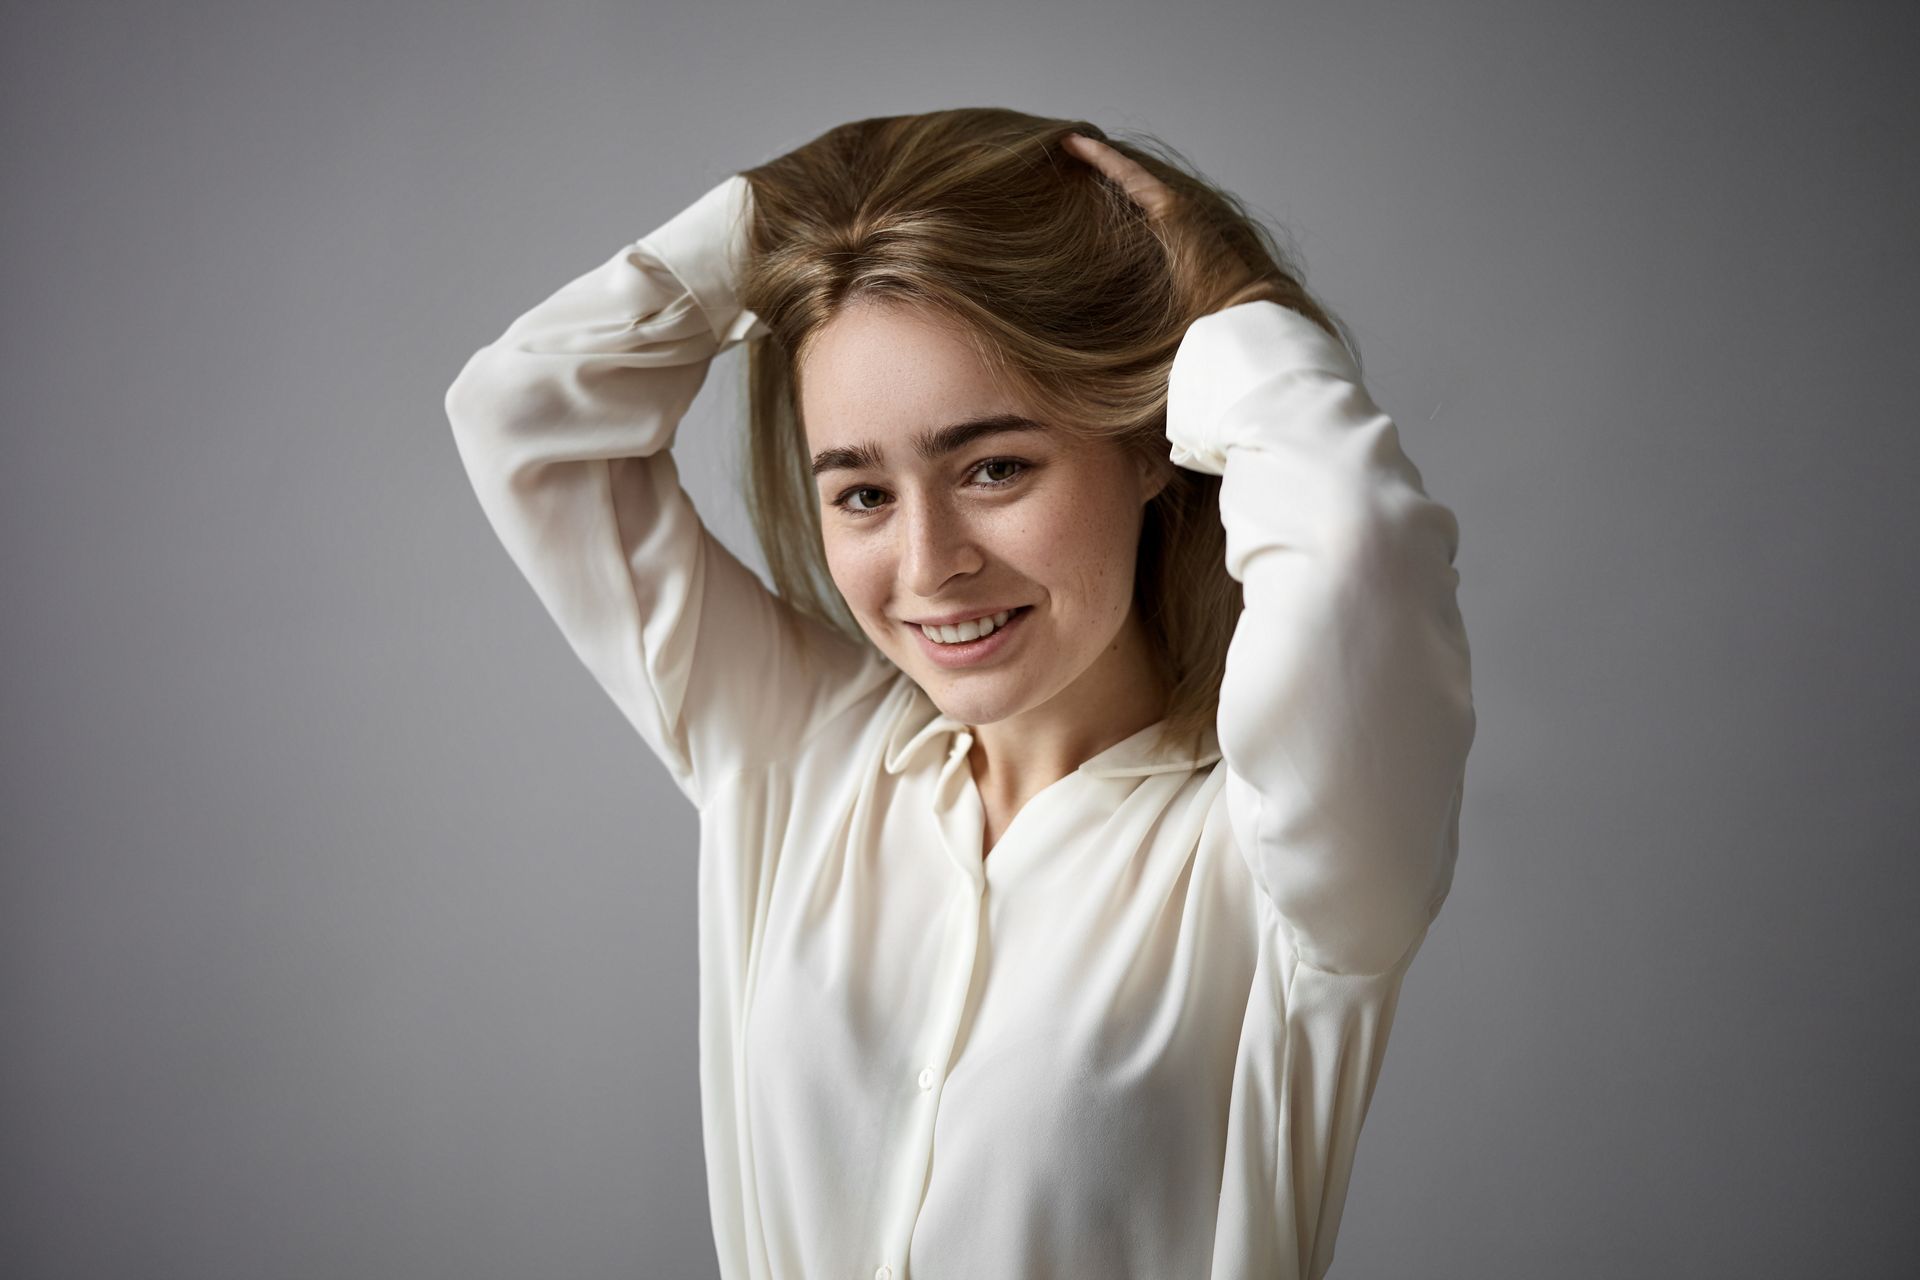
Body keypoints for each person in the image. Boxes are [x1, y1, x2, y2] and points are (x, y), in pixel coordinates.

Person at [443, 108, 1476, 1280]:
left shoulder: (1289, 852)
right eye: (864, 494)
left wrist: (1237, 312)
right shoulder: (803, 753)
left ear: (1150, 445)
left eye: (995, 467)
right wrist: (791, 215)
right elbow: (524, 415)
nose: (931, 565)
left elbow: (1351, 545)